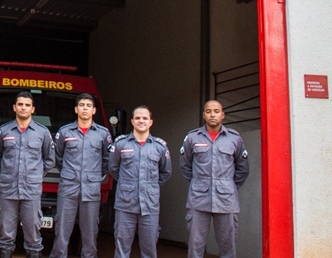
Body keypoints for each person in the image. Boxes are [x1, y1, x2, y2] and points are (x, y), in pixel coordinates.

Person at [179, 100, 249, 258]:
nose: (212, 115)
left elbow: (243, 168)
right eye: (208, 111)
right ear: (204, 115)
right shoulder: (192, 137)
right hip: (198, 199)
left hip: (226, 201)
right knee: (195, 247)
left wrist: (228, 185)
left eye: (216, 111)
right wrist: (199, 183)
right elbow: (184, 166)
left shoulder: (234, 138)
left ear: (222, 115)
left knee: (228, 247)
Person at [0, 91, 55, 258]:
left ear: (33, 109)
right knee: (5, 236)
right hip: (8, 190)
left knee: (34, 238)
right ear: (14, 107)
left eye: (27, 105)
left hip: (31, 192)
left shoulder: (42, 133)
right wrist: (8, 172)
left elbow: (49, 159)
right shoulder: (4, 131)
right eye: (20, 104)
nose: (23, 108)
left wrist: (35, 174)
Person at [48, 93, 112, 258]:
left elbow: (107, 160)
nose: (85, 108)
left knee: (90, 233)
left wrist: (94, 175)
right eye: (82, 105)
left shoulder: (103, 134)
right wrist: (70, 174)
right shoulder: (65, 132)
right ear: (76, 109)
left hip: (91, 190)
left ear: (94, 110)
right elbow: (58, 157)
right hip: (68, 187)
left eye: (88, 106)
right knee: (62, 230)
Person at [108, 105, 172, 258]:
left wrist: (150, 186)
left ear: (151, 122)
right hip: (125, 204)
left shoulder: (159, 147)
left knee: (149, 249)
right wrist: (128, 184)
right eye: (137, 118)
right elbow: (113, 168)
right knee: (122, 248)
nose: (141, 121)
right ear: (132, 121)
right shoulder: (121, 144)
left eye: (145, 118)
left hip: (150, 205)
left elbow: (166, 172)